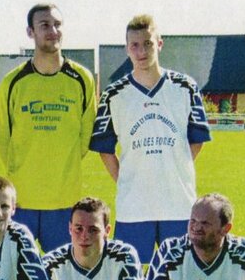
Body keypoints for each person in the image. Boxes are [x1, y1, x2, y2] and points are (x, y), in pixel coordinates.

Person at [90, 14, 212, 263]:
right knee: (132, 276)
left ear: (160, 43)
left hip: (178, 204)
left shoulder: (185, 87)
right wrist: (126, 181)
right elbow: (105, 149)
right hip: (134, 208)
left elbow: (196, 140)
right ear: (127, 49)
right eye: (134, 45)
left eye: (147, 43)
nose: (141, 51)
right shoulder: (113, 94)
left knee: (180, 274)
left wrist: (173, 167)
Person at [0, 3, 96, 251]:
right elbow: (2, 136)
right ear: (31, 32)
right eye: (44, 25)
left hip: (64, 201)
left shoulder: (82, 79)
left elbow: (85, 136)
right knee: (18, 269)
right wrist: (21, 171)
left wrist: (62, 165)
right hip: (21, 200)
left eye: (57, 24)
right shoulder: (13, 81)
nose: (53, 31)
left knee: (61, 269)